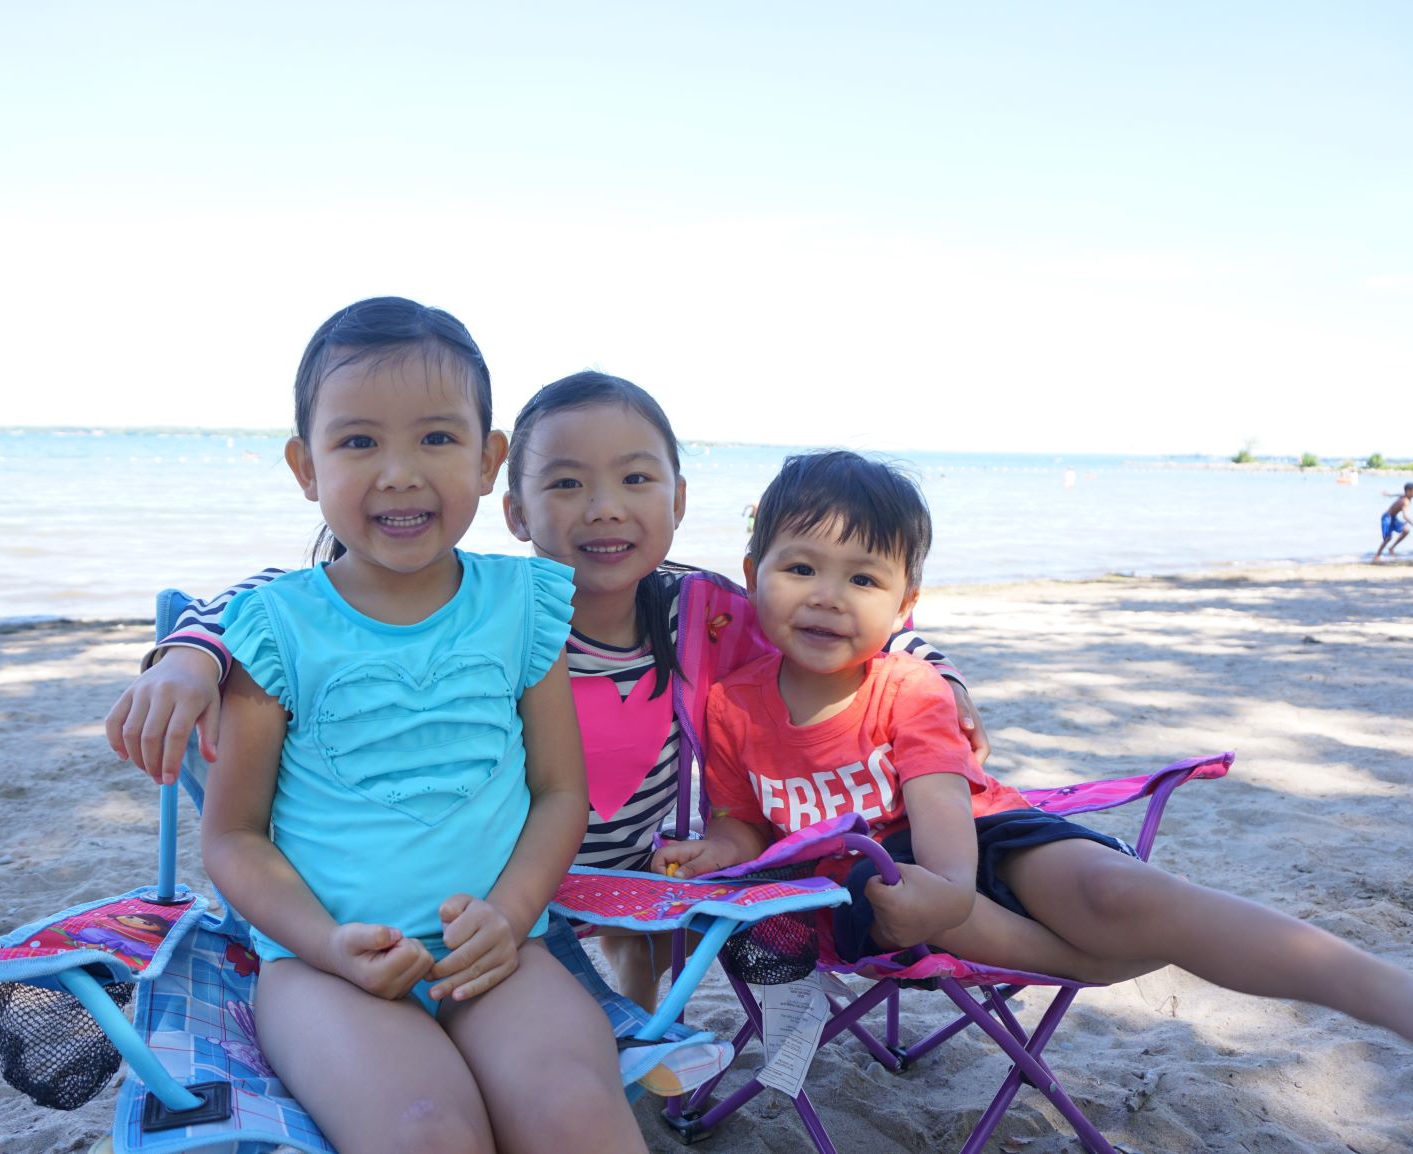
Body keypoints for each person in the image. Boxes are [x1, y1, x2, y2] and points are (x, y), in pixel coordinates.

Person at [108, 371, 991, 1009]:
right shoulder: (491, 609)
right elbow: (272, 600)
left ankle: (644, 1014)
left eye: (635, 479)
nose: (604, 506)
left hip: (637, 872)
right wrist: (188, 655)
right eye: (566, 483)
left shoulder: (704, 612)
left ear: (679, 499)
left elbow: (826, 618)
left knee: (645, 944)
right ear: (517, 511)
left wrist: (935, 670)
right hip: (500, 880)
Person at [654, 450, 1413, 1057]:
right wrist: (710, 849)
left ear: (904, 605)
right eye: (801, 568)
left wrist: (954, 889)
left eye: (863, 578)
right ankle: (1098, 965)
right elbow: (745, 825)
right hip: (866, 884)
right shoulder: (731, 706)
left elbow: (940, 803)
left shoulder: (910, 687)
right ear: (754, 576)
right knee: (898, 895)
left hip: (975, 836)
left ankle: (1393, 996)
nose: (827, 596)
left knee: (1119, 895)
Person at [200, 296, 645, 1154]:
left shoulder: (525, 604)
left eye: (436, 439)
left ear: (488, 460)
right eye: (359, 441)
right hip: (326, 971)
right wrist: (327, 943)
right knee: (423, 1131)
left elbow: (560, 794)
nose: (399, 471)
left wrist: (511, 916)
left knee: (575, 1111)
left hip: (498, 951)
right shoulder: (274, 629)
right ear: (305, 466)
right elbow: (233, 838)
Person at [1373, 483, 1413, 562]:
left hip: (1393, 518)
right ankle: (1377, 555)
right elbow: (1405, 516)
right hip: (1387, 518)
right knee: (1388, 538)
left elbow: (1399, 494)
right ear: (1408, 491)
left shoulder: (1405, 496)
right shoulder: (1405, 501)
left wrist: (1389, 495)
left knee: (1406, 531)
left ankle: (1391, 548)